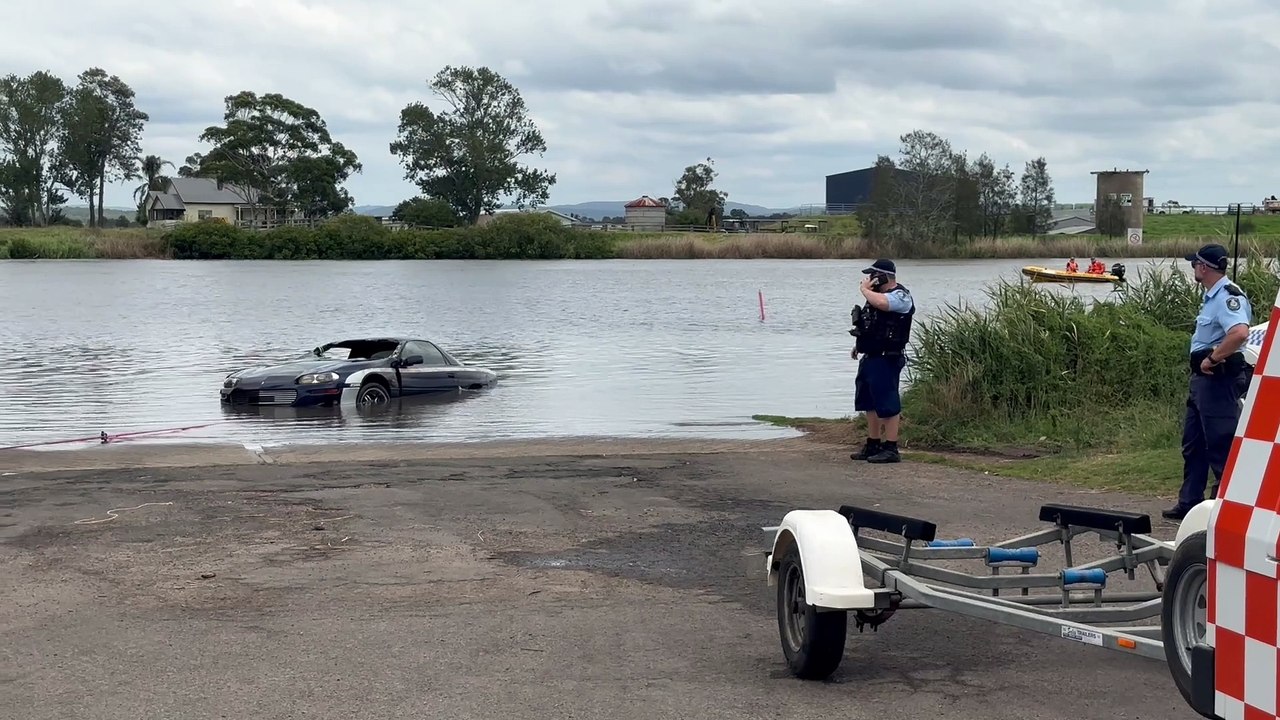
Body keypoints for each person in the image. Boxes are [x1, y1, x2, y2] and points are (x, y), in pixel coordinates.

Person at [1163, 243, 1253, 520]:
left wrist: (1212, 359)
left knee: (1220, 442)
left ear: (1203, 267)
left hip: (1217, 379)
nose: (1193, 268)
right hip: (1201, 381)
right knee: (1194, 443)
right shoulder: (1211, 298)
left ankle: (1223, 506)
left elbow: (1239, 333)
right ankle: (1190, 502)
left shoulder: (1228, 297)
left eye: (1195, 264)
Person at [849, 259, 916, 464]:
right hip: (870, 356)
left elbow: (883, 304)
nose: (869, 280)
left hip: (888, 357)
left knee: (887, 402)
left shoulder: (900, 296)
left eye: (872, 276)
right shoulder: (875, 297)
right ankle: (873, 444)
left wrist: (864, 290)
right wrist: (859, 346)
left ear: (883, 276)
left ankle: (891, 447)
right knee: (869, 402)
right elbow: (871, 324)